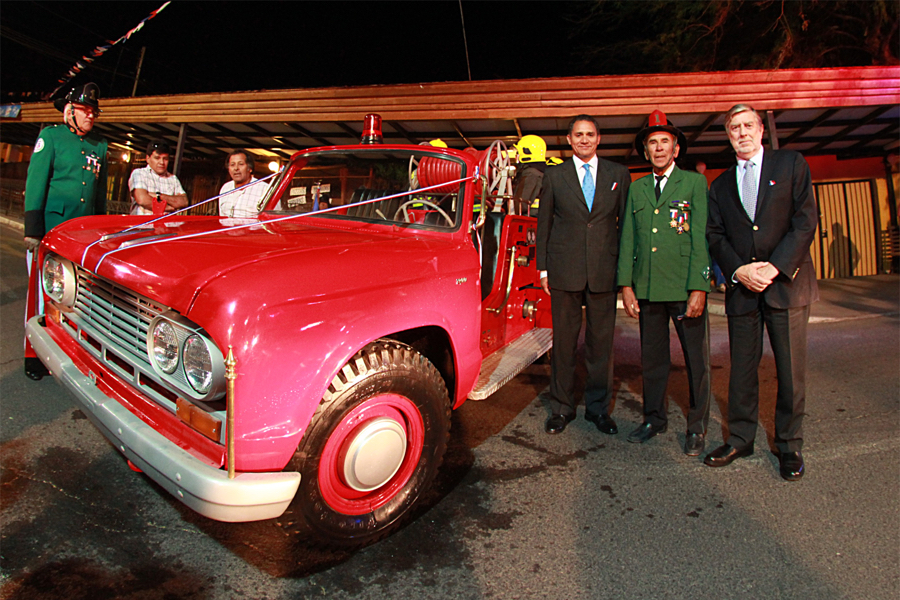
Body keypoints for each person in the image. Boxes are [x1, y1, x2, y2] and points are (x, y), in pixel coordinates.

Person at [705, 104, 819, 481]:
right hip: (744, 291)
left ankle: (788, 445)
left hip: (786, 284)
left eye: (748, 125)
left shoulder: (790, 165)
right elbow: (715, 235)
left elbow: (805, 220)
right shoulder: (719, 185)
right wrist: (738, 269)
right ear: (728, 135)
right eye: (734, 127)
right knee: (741, 372)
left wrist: (775, 266)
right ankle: (740, 438)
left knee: (789, 373)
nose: (742, 132)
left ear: (760, 129)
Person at [617, 110, 711, 456]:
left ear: (675, 149)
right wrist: (626, 284)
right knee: (652, 360)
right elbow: (629, 237)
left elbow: (700, 237)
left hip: (684, 287)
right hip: (648, 288)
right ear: (646, 151)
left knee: (695, 360)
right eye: (652, 143)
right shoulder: (638, 187)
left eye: (664, 142)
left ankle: (697, 426)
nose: (658, 148)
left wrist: (699, 286)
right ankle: (654, 419)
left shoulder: (693, 183)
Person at [536, 114, 631, 434]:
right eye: (578, 135)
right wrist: (544, 269)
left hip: (604, 270)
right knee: (563, 343)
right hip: (564, 270)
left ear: (599, 138)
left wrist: (625, 272)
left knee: (600, 345)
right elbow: (544, 223)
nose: (584, 139)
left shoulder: (619, 174)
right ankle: (561, 408)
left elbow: (625, 227)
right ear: (569, 140)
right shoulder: (554, 176)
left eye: (590, 134)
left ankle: (598, 409)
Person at [23, 82, 108, 380]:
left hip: (82, 236)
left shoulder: (100, 146)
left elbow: (99, 195)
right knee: (41, 294)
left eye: (93, 112)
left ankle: (68, 351)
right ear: (68, 111)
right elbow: (36, 184)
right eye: (85, 110)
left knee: (75, 297)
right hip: (50, 230)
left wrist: (101, 231)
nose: (91, 116)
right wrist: (33, 230)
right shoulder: (51, 137)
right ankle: (32, 353)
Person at [129, 140, 188, 215]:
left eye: (165, 159)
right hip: (144, 225)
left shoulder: (173, 179)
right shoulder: (139, 174)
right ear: (148, 158)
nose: (161, 162)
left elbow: (184, 202)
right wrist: (168, 207)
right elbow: (142, 199)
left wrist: (159, 196)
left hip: (167, 226)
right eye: (157, 158)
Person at [218, 150, 271, 218]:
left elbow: (272, 220)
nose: (236, 168)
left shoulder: (264, 189)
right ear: (228, 169)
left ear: (250, 168)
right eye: (232, 165)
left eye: (241, 164)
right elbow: (221, 217)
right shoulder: (225, 188)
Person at [513, 135, 548, 211]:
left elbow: (520, 205)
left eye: (518, 152)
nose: (516, 155)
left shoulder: (531, 174)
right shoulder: (541, 171)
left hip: (530, 218)